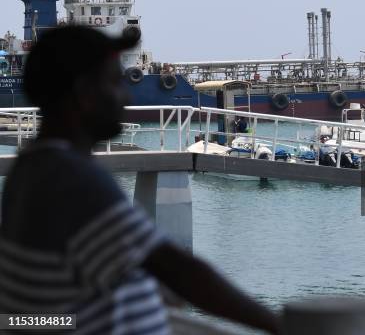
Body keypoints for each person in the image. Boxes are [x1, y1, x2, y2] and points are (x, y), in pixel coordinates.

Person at [0, 26, 280, 334]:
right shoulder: (74, 181)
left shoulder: (33, 166)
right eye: (114, 83)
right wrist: (278, 325)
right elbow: (179, 270)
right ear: (84, 94)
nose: (125, 96)